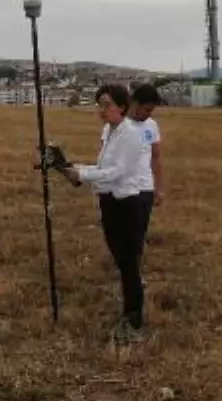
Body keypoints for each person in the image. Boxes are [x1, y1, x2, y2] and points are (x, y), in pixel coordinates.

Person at [57, 84, 147, 343]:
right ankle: (129, 310)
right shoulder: (109, 131)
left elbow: (118, 172)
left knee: (128, 262)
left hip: (127, 204)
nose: (101, 110)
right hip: (108, 202)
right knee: (120, 259)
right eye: (99, 104)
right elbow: (102, 166)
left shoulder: (131, 134)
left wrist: (82, 175)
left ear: (122, 106)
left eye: (106, 104)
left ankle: (134, 319)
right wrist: (74, 167)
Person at [126, 83, 165, 247]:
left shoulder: (151, 126)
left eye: (152, 111)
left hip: (145, 189)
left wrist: (159, 188)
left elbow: (155, 157)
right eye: (147, 110)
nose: (149, 115)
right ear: (135, 103)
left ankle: (135, 266)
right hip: (124, 188)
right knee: (125, 232)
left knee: (139, 233)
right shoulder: (117, 126)